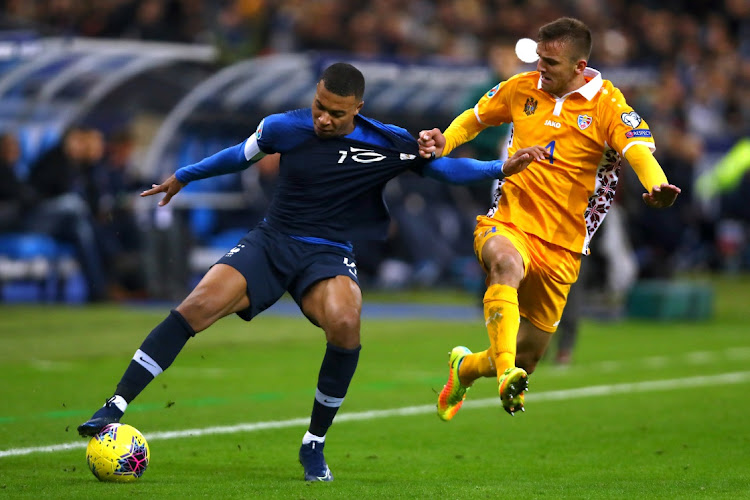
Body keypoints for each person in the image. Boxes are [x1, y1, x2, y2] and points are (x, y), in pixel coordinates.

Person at [76, 62, 547, 482]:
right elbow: (237, 155)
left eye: (336, 113)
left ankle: (314, 444)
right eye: (319, 106)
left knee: (346, 322)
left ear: (357, 109)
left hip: (327, 253)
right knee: (196, 305)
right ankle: (113, 407)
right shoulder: (284, 128)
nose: (323, 117)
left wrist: (502, 166)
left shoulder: (389, 143)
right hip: (271, 241)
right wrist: (185, 175)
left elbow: (445, 172)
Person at [417, 17, 681, 420]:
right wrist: (445, 141)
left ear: (579, 66)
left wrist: (656, 186)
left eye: (551, 62)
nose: (540, 67)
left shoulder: (607, 104)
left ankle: (465, 368)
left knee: (530, 355)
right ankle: (507, 373)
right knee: (505, 264)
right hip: (510, 220)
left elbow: (638, 152)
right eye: (539, 58)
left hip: (564, 242)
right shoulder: (521, 87)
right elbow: (476, 117)